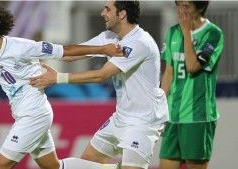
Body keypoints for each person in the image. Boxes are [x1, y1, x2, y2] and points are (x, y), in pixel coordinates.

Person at [0, 2, 124, 169]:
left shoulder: (22, 48)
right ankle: (117, 168)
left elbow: (65, 52)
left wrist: (103, 49)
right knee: (54, 167)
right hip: (23, 114)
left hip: (34, 115)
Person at [30, 1, 169, 169]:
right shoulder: (109, 38)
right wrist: (30, 52)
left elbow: (101, 74)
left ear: (122, 14)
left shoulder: (139, 42)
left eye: (108, 9)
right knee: (87, 162)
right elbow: (69, 55)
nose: (103, 13)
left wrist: (57, 78)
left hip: (143, 121)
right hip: (120, 117)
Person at [158, 1, 224, 169]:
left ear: (200, 7)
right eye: (179, 4)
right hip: (173, 116)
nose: (181, 10)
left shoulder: (213, 34)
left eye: (186, 5)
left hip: (198, 117)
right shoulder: (172, 32)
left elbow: (193, 66)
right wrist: (158, 108)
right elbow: (168, 74)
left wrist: (187, 31)